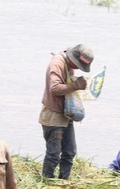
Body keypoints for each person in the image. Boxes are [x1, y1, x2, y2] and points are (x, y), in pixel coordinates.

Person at [39, 43, 94, 179]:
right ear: (73, 59)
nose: (78, 68)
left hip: (65, 114)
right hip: (53, 115)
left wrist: (76, 83)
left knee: (69, 152)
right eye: (78, 65)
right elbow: (55, 88)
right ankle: (48, 183)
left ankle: (63, 182)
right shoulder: (57, 63)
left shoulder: (68, 65)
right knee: (54, 153)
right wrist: (76, 85)